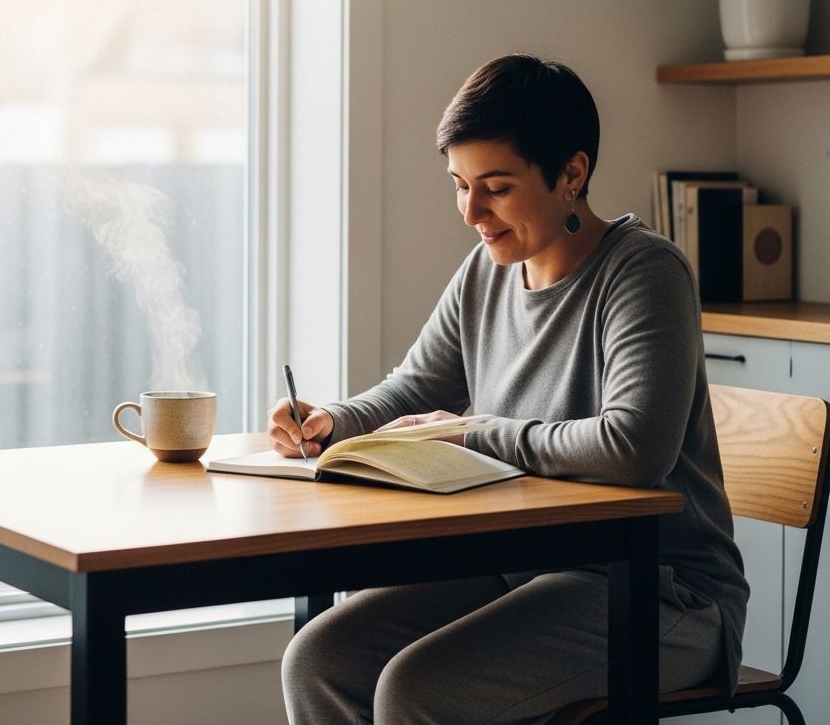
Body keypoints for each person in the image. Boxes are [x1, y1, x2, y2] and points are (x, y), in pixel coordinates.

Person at [267, 54, 748, 725]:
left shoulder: (643, 274)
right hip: (525, 567)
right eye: (459, 184)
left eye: (494, 186)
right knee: (321, 659)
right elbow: (417, 385)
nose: (470, 211)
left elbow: (633, 446)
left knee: (417, 690)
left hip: (663, 593)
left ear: (572, 174)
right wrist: (332, 421)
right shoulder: (488, 270)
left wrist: (472, 433)